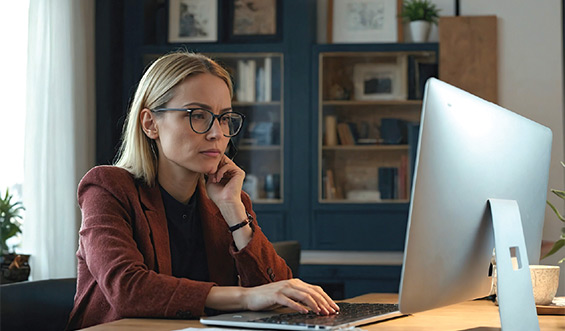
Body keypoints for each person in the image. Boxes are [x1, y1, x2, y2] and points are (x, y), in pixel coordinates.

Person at [66, 52, 339, 329]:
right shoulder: (107, 188)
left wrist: (233, 210)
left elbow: (277, 294)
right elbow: (128, 290)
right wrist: (244, 297)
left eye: (223, 118)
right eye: (198, 115)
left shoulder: (228, 198)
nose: (216, 133)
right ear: (150, 123)